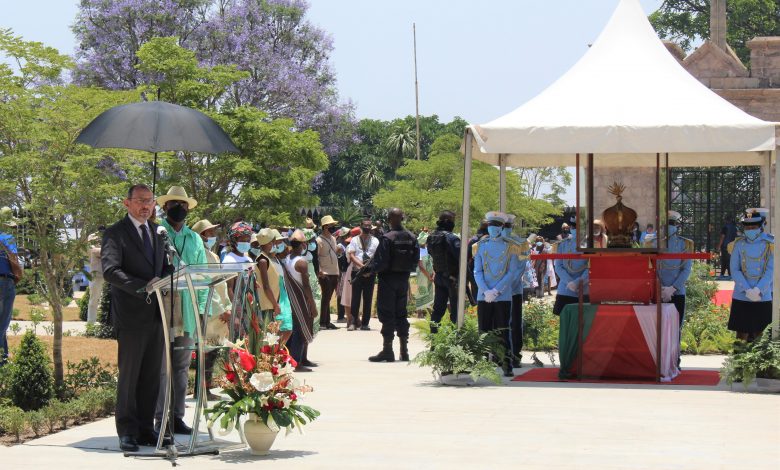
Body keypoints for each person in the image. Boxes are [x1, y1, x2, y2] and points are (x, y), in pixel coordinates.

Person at [101, 184, 174, 451]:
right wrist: (143, 286)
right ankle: (127, 431)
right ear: (127, 203)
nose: (146, 206)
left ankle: (146, 429)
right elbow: (110, 270)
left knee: (151, 376)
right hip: (131, 315)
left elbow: (166, 266)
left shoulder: (158, 232)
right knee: (130, 376)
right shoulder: (115, 233)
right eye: (140, 201)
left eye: (150, 201)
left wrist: (168, 275)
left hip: (156, 314)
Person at [153, 185, 207, 436]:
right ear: (164, 207)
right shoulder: (157, 233)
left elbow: (204, 275)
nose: (179, 208)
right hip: (164, 308)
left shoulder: (194, 238)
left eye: (183, 205)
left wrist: (202, 310)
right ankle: (159, 418)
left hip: (188, 310)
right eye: (174, 204)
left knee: (182, 365)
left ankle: (176, 417)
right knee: (162, 366)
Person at [366, 208, 419, 363]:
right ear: (402, 218)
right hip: (403, 280)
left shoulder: (387, 238)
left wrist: (370, 271)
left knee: (387, 314)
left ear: (389, 219)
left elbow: (381, 262)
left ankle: (388, 350)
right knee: (401, 313)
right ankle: (404, 351)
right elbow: (415, 260)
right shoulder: (411, 237)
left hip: (388, 280)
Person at [474, 211, 520, 377]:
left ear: (502, 227)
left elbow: (512, 272)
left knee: (503, 330)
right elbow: (477, 271)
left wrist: (496, 290)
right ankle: (481, 364)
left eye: (496, 225)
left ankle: (506, 363)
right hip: (484, 294)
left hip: (502, 295)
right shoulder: (480, 245)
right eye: (490, 225)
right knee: (483, 331)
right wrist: (486, 290)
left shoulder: (511, 246)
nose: (493, 228)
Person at [191, 219, 231, 400]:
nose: (213, 236)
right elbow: (205, 285)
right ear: (201, 236)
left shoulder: (212, 255)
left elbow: (221, 283)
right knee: (205, 352)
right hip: (209, 310)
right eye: (209, 233)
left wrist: (227, 306)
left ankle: (206, 388)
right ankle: (201, 390)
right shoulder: (197, 255)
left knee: (213, 351)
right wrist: (219, 308)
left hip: (219, 309)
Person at [727, 210, 774, 342]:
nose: (749, 230)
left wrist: (758, 290)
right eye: (747, 227)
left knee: (761, 336)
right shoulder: (738, 244)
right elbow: (734, 269)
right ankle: (738, 362)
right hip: (742, 294)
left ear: (760, 227)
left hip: (762, 295)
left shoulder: (770, 244)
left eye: (753, 227)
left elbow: (771, 270)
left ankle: (759, 363)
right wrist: (747, 289)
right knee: (741, 335)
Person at [657, 211, 693, 365]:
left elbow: (686, 269)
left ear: (677, 226)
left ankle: (674, 360)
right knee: (658, 328)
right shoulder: (654, 243)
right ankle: (659, 360)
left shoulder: (685, 245)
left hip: (677, 292)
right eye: (666, 225)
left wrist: (672, 288)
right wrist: (660, 287)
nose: (669, 227)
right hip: (658, 291)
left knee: (676, 328)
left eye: (672, 224)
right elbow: (650, 266)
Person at [282, 230, 318, 371]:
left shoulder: (287, 258)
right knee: (300, 330)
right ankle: (296, 362)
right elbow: (306, 286)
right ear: (303, 244)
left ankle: (297, 359)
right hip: (301, 299)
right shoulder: (301, 262)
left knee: (296, 330)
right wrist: (312, 304)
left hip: (292, 299)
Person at [254, 228, 293, 346]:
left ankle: (277, 353)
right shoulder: (262, 260)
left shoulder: (273, 258)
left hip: (279, 297)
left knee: (284, 329)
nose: (274, 245)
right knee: (271, 333)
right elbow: (266, 286)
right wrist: (275, 304)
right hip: (270, 301)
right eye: (273, 242)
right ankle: (275, 354)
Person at [426, 210, 461, 332]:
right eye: (453, 221)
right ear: (448, 222)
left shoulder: (431, 237)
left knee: (438, 310)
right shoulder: (452, 238)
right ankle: (455, 341)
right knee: (456, 310)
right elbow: (461, 258)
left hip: (439, 276)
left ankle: (434, 341)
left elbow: (431, 253)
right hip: (452, 278)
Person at [553, 216, 590, 315]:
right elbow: (558, 266)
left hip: (580, 288)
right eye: (574, 227)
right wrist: (572, 283)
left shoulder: (589, 245)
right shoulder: (563, 244)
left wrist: (575, 283)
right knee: (568, 323)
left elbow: (592, 267)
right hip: (568, 289)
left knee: (579, 325)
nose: (575, 229)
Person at [347, 220, 379, 331]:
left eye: (369, 226)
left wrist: (370, 270)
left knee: (368, 298)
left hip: (370, 273)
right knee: (355, 298)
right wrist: (362, 267)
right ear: (361, 226)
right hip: (357, 271)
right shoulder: (355, 240)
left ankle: (365, 323)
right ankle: (353, 322)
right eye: (365, 226)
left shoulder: (375, 241)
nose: (367, 227)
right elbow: (351, 255)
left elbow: (377, 257)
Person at [0, 207, 22, 366]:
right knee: (2, 323)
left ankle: (4, 359)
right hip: (4, 282)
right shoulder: (7, 238)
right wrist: (18, 276)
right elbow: (13, 261)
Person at [315, 215, 342, 330]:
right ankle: (322, 322)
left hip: (334, 271)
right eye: (331, 225)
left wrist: (339, 251)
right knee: (326, 297)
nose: (333, 227)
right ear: (325, 226)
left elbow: (334, 252)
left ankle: (327, 321)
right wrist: (320, 271)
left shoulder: (333, 238)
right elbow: (316, 257)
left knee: (329, 297)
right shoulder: (319, 240)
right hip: (325, 272)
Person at [339, 227, 360, 329]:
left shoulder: (349, 246)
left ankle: (352, 319)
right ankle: (352, 319)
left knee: (349, 295)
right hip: (354, 270)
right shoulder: (353, 246)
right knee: (350, 295)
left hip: (351, 269)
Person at [414, 231, 435, 314]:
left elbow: (430, 262)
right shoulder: (419, 251)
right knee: (422, 291)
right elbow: (421, 266)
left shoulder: (427, 249)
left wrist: (433, 273)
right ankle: (419, 312)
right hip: (422, 275)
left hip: (429, 274)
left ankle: (429, 310)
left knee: (429, 292)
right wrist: (428, 276)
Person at [86, 233, 103, 324]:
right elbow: (93, 250)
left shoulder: (112, 233)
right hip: (96, 273)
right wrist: (109, 251)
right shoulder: (92, 236)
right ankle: (91, 324)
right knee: (93, 299)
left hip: (111, 273)